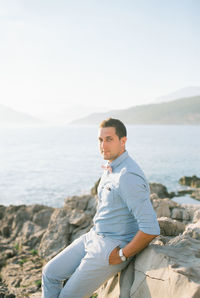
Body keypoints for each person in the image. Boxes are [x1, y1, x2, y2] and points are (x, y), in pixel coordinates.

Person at [42, 118, 160, 298]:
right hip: (93, 236)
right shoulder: (111, 167)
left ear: (123, 141)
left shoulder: (128, 176)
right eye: (100, 140)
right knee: (49, 273)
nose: (103, 145)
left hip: (110, 247)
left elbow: (150, 228)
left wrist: (121, 255)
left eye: (109, 139)